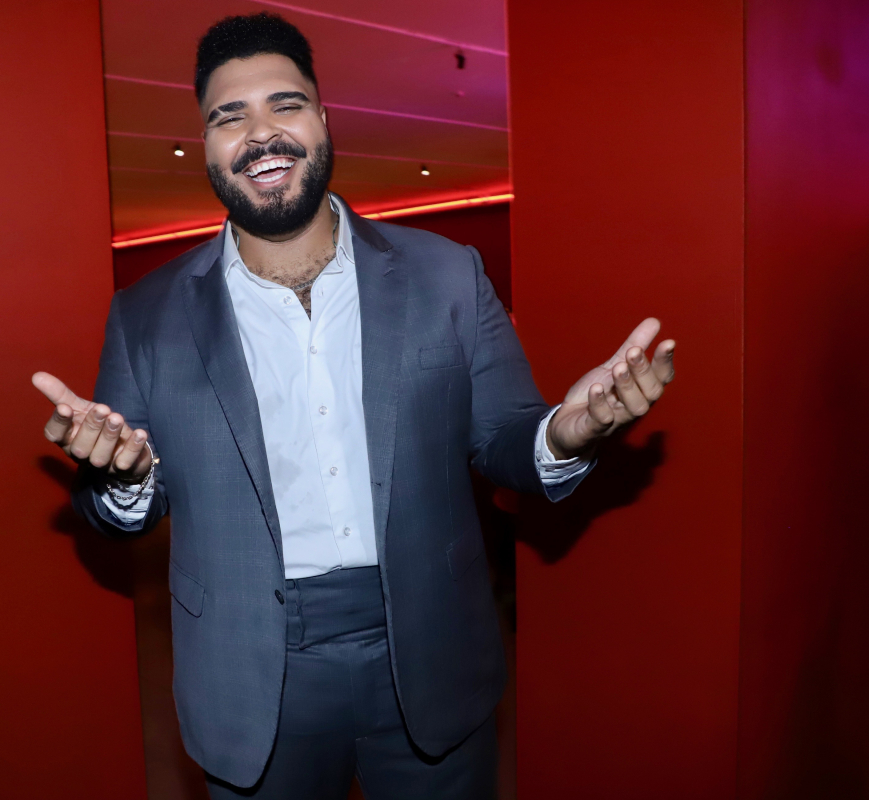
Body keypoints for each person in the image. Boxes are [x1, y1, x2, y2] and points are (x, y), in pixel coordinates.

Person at [33, 13, 675, 799]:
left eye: (285, 104)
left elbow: (505, 438)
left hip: (431, 647)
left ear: (324, 118)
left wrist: (568, 432)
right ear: (205, 144)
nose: (260, 134)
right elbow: (126, 501)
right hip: (250, 670)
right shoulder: (145, 315)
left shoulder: (447, 274)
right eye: (230, 117)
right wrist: (124, 477)